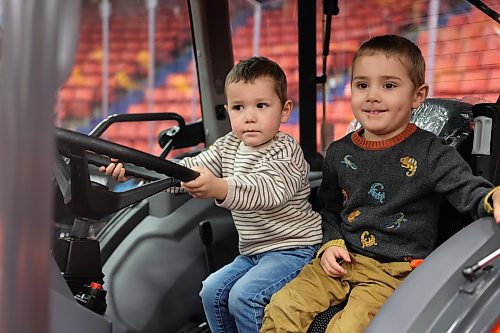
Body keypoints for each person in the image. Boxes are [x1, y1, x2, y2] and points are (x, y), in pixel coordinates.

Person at [259, 34, 500, 333]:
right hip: (343, 259)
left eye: (388, 85)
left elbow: (467, 189)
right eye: (362, 85)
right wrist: (331, 244)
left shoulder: (431, 152)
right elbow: (330, 208)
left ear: (417, 95)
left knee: (348, 328)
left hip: (394, 270)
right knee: (281, 308)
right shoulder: (338, 152)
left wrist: (493, 198)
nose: (372, 95)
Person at [100, 56, 322, 333]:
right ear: (229, 110)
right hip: (254, 252)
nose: (249, 117)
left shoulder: (286, 151)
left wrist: (220, 187)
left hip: (294, 250)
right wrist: (135, 170)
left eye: (261, 106)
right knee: (212, 291)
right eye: (239, 107)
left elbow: (267, 190)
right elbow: (185, 171)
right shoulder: (228, 145)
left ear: (284, 110)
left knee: (245, 296)